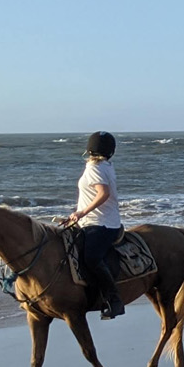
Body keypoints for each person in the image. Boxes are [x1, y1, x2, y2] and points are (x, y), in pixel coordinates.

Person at [63, 131, 125, 320]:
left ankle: (114, 300)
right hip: (97, 221)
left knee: (91, 258)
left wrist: (82, 212)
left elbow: (103, 193)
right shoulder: (105, 166)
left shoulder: (94, 169)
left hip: (100, 223)